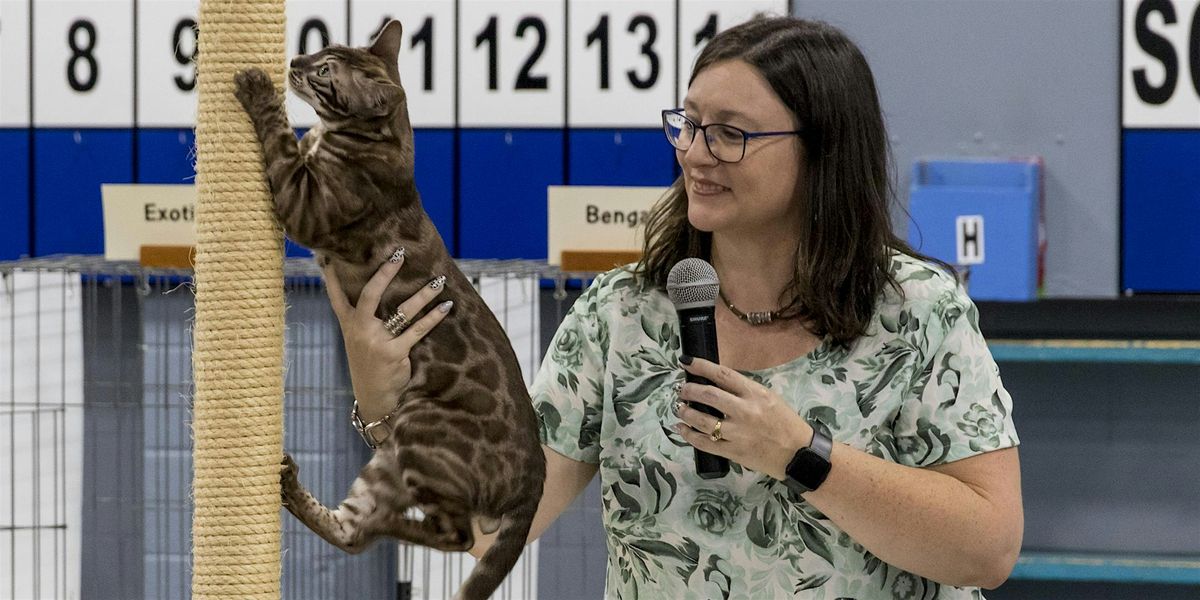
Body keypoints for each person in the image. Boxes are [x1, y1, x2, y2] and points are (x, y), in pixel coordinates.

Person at [325, 15, 1023, 599]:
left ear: (823, 151)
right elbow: (489, 523)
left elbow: (987, 550)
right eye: (687, 124)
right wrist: (385, 400)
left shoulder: (917, 312)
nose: (694, 152)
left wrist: (798, 454)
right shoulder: (621, 313)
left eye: (730, 132)